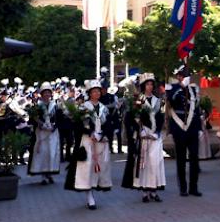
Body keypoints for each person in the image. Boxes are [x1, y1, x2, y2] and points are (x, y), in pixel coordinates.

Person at [64, 80, 112, 210]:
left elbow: (108, 124)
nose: (96, 93)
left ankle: (96, 186)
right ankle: (89, 195)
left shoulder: (104, 108)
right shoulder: (83, 107)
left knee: (100, 166)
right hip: (87, 141)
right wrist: (89, 132)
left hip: (101, 141)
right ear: (89, 93)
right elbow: (77, 125)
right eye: (94, 91)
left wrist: (101, 134)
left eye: (98, 91)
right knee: (87, 167)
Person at [122, 73, 166, 202]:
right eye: (147, 84)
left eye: (152, 84)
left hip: (155, 136)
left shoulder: (159, 101)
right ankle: (145, 191)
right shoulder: (137, 100)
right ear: (143, 86)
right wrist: (139, 130)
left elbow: (161, 119)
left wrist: (157, 132)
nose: (150, 86)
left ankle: (154, 189)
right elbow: (129, 119)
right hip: (143, 135)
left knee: (155, 162)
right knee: (144, 164)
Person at [167, 66, 202, 197]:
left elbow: (197, 109)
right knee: (181, 160)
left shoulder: (194, 89)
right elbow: (172, 100)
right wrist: (182, 87)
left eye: (186, 75)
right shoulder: (172, 88)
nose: (184, 77)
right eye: (182, 75)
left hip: (192, 127)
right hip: (179, 127)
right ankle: (183, 187)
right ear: (178, 76)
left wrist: (199, 128)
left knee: (194, 159)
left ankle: (194, 187)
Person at [28, 82, 61, 184]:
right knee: (42, 153)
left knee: (52, 153)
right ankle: (43, 176)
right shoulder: (37, 106)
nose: (47, 95)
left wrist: (54, 127)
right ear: (41, 94)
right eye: (45, 93)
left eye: (48, 93)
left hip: (52, 133)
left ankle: (50, 173)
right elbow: (32, 120)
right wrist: (40, 124)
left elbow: (59, 119)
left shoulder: (55, 106)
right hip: (41, 133)